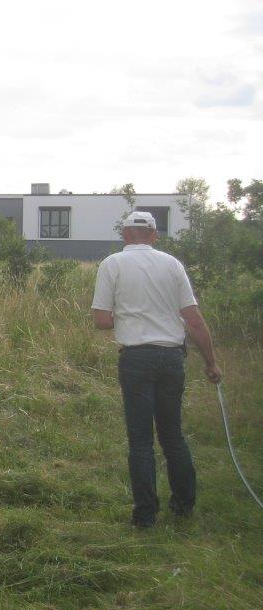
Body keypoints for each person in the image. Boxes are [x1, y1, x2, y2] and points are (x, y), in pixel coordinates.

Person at [91, 210, 222, 528]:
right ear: (154, 235)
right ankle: (184, 506)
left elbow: (101, 321)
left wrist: (132, 316)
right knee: (172, 435)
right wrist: (211, 363)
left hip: (135, 359)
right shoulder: (172, 265)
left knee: (140, 440)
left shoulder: (112, 264)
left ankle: (145, 516)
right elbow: (193, 319)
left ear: (125, 235)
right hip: (171, 358)